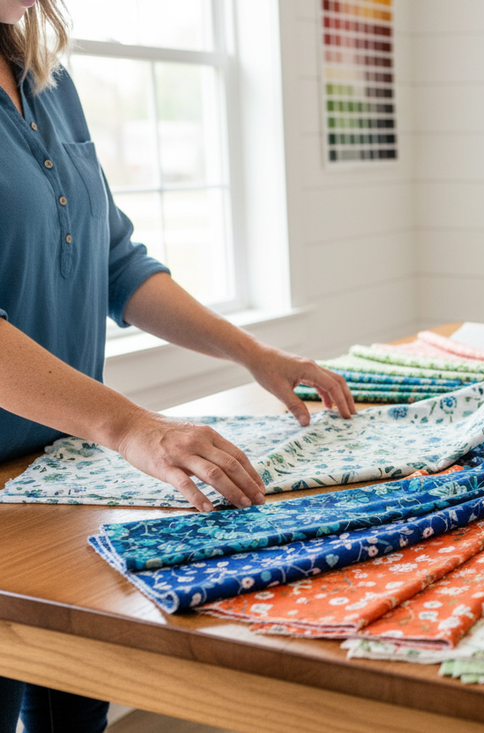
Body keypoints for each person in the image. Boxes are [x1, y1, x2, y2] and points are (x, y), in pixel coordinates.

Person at [1, 0, 356, 729]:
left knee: (74, 705)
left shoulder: (44, 81)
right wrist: (131, 426)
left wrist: (254, 354)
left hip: (53, 473)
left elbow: (115, 265)